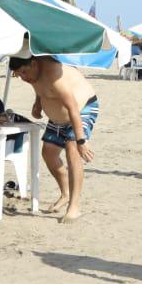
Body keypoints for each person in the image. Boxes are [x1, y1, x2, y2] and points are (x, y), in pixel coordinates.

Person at [10, 54, 98, 223]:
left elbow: (72, 107)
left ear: (34, 64)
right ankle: (65, 193)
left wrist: (81, 141)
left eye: (24, 72)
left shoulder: (53, 73)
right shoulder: (32, 73)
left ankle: (74, 206)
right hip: (57, 117)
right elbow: (38, 85)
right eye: (19, 75)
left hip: (81, 110)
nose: (23, 78)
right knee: (49, 154)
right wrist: (37, 104)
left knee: (72, 152)